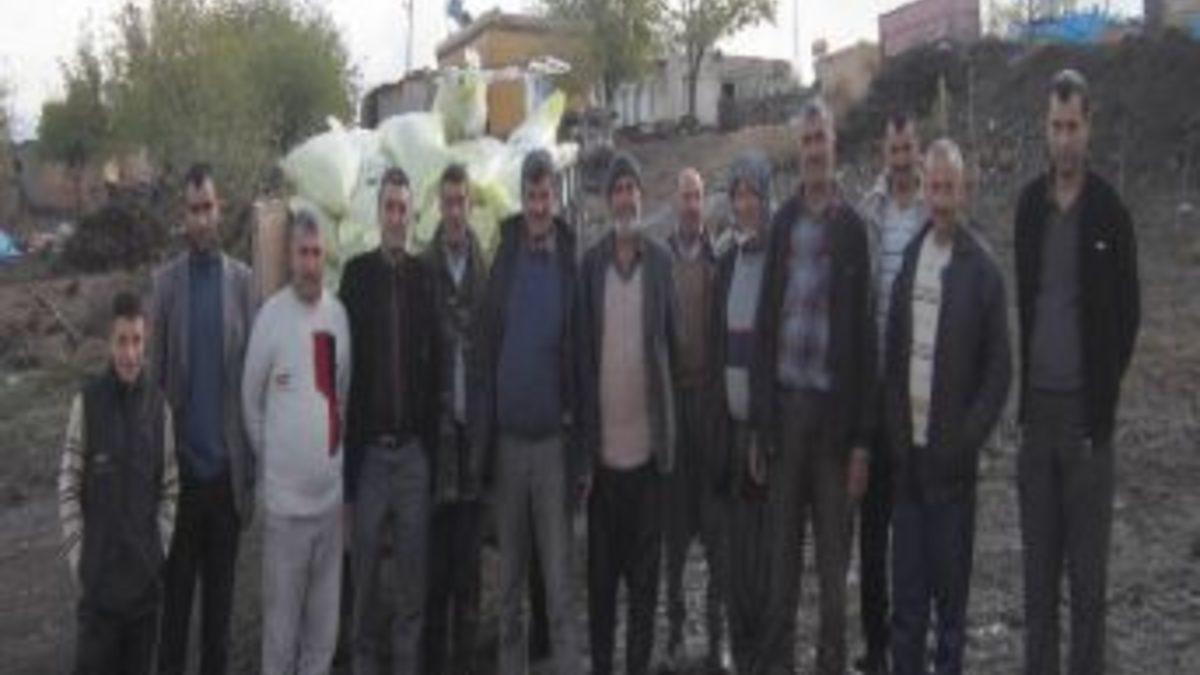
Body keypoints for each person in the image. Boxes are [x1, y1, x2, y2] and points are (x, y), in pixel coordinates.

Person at [1014, 69, 1140, 675]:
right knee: (1038, 583)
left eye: (1073, 127)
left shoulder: (1111, 212)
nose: (1064, 139)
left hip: (1089, 427)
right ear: (1045, 128)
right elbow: (1026, 301)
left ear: (1089, 127)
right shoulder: (1028, 209)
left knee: (1088, 586)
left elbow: (1130, 315)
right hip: (1037, 422)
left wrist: (1102, 402)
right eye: (1055, 126)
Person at [753, 99, 874, 675]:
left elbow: (866, 344)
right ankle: (779, 663)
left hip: (833, 425)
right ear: (799, 150)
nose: (814, 151)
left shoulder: (853, 229)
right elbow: (765, 325)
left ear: (834, 144)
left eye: (821, 139)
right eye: (806, 142)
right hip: (785, 417)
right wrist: (762, 424)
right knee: (781, 567)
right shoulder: (782, 224)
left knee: (831, 572)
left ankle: (830, 663)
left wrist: (862, 443)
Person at [884, 139, 1011, 675]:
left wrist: (965, 441)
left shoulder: (983, 271)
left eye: (948, 189)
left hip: (952, 474)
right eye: (932, 187)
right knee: (907, 610)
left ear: (964, 192)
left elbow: (999, 372)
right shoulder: (912, 259)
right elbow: (894, 355)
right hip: (909, 470)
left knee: (951, 616)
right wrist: (895, 436)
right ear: (924, 190)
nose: (939, 199)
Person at [472, 149, 583, 675]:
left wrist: (580, 444)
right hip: (510, 448)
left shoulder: (569, 262)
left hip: (554, 448)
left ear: (556, 198)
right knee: (510, 586)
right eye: (531, 196)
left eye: (546, 196)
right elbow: (485, 346)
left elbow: (581, 355)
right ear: (522, 198)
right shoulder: (506, 258)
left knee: (559, 585)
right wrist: (484, 441)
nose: (539, 207)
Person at [149, 163, 257, 675]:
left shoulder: (244, 285)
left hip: (225, 485)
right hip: (182, 483)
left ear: (220, 208)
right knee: (173, 621)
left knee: (218, 625)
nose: (201, 219)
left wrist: (251, 474)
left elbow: (253, 384)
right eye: (193, 210)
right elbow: (153, 389)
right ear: (183, 214)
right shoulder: (165, 286)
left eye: (208, 208)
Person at [338, 167, 442, 675]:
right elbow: (342, 373)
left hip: (412, 458)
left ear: (413, 216)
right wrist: (347, 472)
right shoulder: (356, 278)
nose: (397, 217)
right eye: (389, 208)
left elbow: (438, 365)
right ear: (378, 214)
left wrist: (430, 452)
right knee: (364, 591)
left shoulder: (425, 278)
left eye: (404, 208)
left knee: (411, 591)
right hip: (370, 461)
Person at [578, 152, 678, 675]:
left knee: (644, 590)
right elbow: (581, 358)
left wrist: (669, 441)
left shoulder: (660, 264)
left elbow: (672, 349)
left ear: (641, 196)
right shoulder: (590, 267)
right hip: (603, 468)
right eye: (616, 190)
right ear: (607, 200)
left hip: (647, 465)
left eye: (630, 189)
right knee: (600, 592)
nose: (624, 199)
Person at [242, 209, 351, 675]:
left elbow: (342, 395)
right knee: (281, 636)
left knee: (321, 637)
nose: (310, 264)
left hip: (329, 507)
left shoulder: (338, 316)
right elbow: (250, 402)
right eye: (302, 254)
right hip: (286, 513)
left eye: (316, 254)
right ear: (289, 258)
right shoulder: (271, 318)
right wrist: (275, 466)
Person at [59, 291, 179, 675]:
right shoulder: (87, 404)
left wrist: (157, 551)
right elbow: (67, 485)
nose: (130, 353)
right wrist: (82, 561)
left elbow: (171, 488)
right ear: (109, 344)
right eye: (122, 341)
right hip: (99, 599)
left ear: (146, 341)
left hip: (144, 597)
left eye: (137, 341)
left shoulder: (159, 408)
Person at [855, 111, 928, 675]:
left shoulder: (935, 210)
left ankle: (910, 644)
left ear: (917, 150)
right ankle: (876, 646)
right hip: (874, 393)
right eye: (893, 151)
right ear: (884, 153)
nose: (900, 160)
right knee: (873, 530)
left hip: (918, 396)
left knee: (915, 530)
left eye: (907, 150)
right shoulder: (869, 212)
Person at [662, 166, 729, 672]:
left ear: (704, 203)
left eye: (697, 197)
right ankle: (674, 638)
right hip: (672, 409)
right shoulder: (660, 261)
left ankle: (717, 638)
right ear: (675, 202)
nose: (690, 205)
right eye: (685, 196)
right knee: (674, 534)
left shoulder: (718, 261)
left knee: (717, 533)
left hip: (709, 406)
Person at [710, 152, 774, 675]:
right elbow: (717, 345)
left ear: (766, 199)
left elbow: (774, 354)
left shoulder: (778, 264)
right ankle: (742, 647)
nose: (745, 203)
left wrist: (761, 430)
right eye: (738, 194)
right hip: (729, 431)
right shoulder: (727, 261)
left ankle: (766, 654)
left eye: (752, 193)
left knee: (765, 553)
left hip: (763, 434)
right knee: (733, 552)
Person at [422, 164, 486, 674]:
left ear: (470, 205)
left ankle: (464, 661)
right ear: (438, 207)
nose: (455, 211)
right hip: (435, 446)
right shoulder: (423, 272)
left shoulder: (485, 269)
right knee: (434, 577)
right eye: (448, 202)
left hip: (474, 446)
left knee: (470, 576)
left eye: (461, 201)